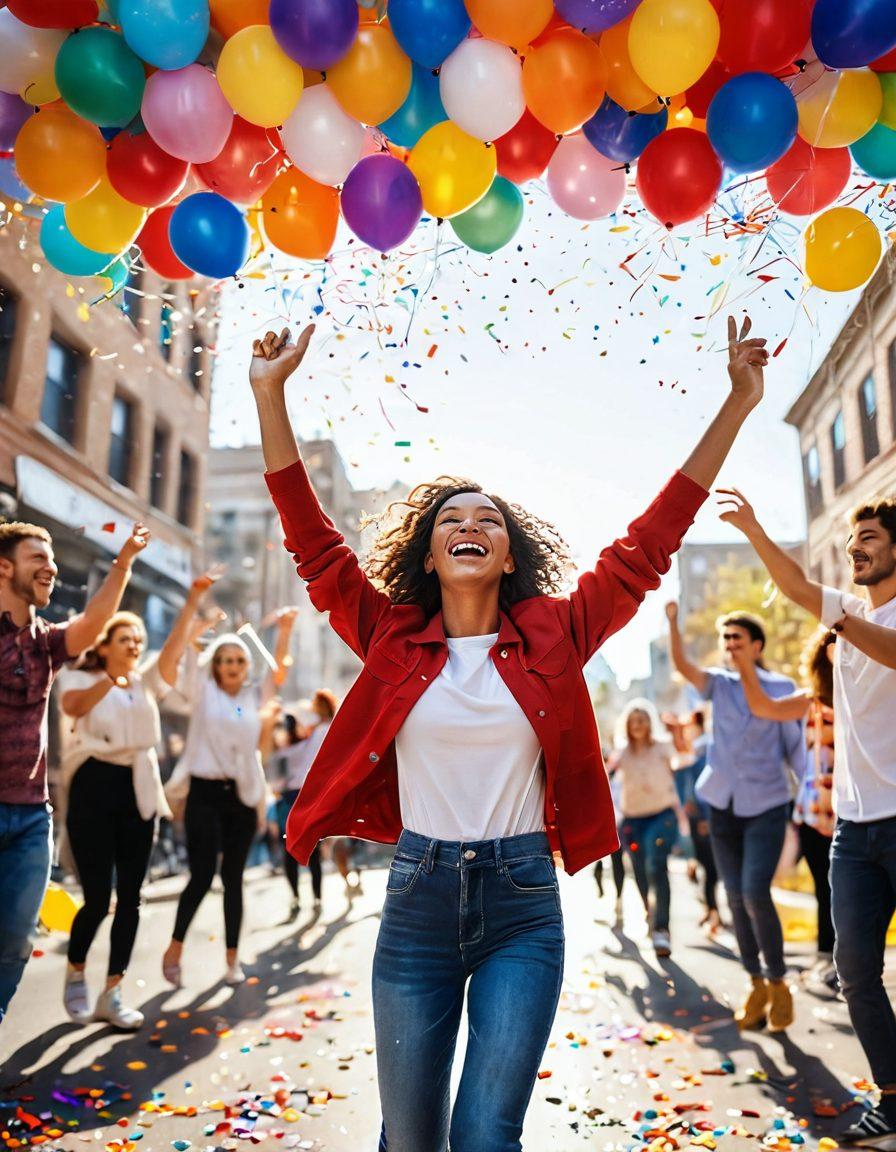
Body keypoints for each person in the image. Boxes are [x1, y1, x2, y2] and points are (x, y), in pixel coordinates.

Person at [247, 312, 767, 1152]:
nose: (470, 525)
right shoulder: (386, 635)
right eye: (453, 518)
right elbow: (314, 544)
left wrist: (737, 405)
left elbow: (647, 544)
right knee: (409, 1138)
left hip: (523, 904)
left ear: (509, 554)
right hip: (416, 898)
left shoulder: (558, 633)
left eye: (488, 519)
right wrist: (270, 396)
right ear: (427, 554)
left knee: (488, 1134)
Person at [716, 487, 896, 1146]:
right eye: (853, 542)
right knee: (854, 970)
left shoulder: (860, 621)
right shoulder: (848, 613)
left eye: (869, 540)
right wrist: (756, 527)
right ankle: (893, 1095)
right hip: (853, 826)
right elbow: (793, 582)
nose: (855, 549)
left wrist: (840, 620)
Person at [0, 519, 148, 1024]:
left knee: (17, 943)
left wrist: (123, 561)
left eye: (52, 557)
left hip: (29, 818)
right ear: (4, 568)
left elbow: (95, 619)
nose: (51, 566)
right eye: (37, 558)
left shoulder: (46, 643)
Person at [58, 575, 217, 1029]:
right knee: (95, 898)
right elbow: (74, 707)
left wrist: (191, 600)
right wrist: (110, 679)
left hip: (139, 789)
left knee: (131, 897)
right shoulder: (80, 673)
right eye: (125, 638)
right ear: (104, 644)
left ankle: (112, 990)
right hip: (93, 784)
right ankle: (75, 974)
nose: (133, 644)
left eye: (138, 639)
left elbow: (170, 650)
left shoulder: (145, 683)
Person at [667, 600, 804, 1033]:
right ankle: (755, 982)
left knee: (753, 892)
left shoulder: (782, 688)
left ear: (757, 644)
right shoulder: (720, 685)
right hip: (721, 802)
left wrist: (808, 796)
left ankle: (779, 982)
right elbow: (684, 666)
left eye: (737, 639)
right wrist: (673, 622)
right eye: (726, 639)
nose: (730, 646)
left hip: (766, 803)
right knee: (732, 895)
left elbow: (794, 746)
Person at [161, 608, 296, 988]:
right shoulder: (203, 693)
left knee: (234, 879)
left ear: (245, 665)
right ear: (215, 666)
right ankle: (174, 948)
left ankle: (232, 960)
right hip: (204, 792)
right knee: (202, 876)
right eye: (225, 660)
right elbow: (189, 663)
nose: (233, 665)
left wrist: (284, 631)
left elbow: (278, 674)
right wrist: (194, 632)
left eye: (239, 659)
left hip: (241, 796)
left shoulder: (253, 697)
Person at [728, 628, 837, 994]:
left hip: (858, 812)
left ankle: (841, 959)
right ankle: (828, 957)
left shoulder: (872, 698)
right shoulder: (810, 702)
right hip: (812, 814)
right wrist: (745, 666)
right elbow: (764, 707)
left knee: (847, 892)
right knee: (827, 888)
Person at [611, 700, 688, 957]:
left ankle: (661, 930)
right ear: (627, 725)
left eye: (642, 719)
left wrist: (678, 733)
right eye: (633, 720)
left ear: (649, 722)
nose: (638, 724)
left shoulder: (663, 746)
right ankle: (651, 912)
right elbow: (603, 773)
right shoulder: (621, 752)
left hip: (662, 816)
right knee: (641, 872)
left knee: (656, 865)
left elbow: (684, 757)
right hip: (632, 821)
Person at [269, 690, 339, 918]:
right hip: (301, 799)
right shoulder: (305, 743)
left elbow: (275, 782)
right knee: (311, 851)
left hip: (292, 800)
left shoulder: (287, 750)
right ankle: (312, 898)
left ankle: (301, 898)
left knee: (294, 851)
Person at [668, 710, 721, 934]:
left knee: (711, 866)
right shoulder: (694, 750)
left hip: (704, 816)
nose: (687, 731)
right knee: (708, 865)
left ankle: (712, 910)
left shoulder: (705, 747)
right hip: (697, 817)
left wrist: (703, 816)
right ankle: (712, 910)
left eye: (689, 726)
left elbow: (703, 785)